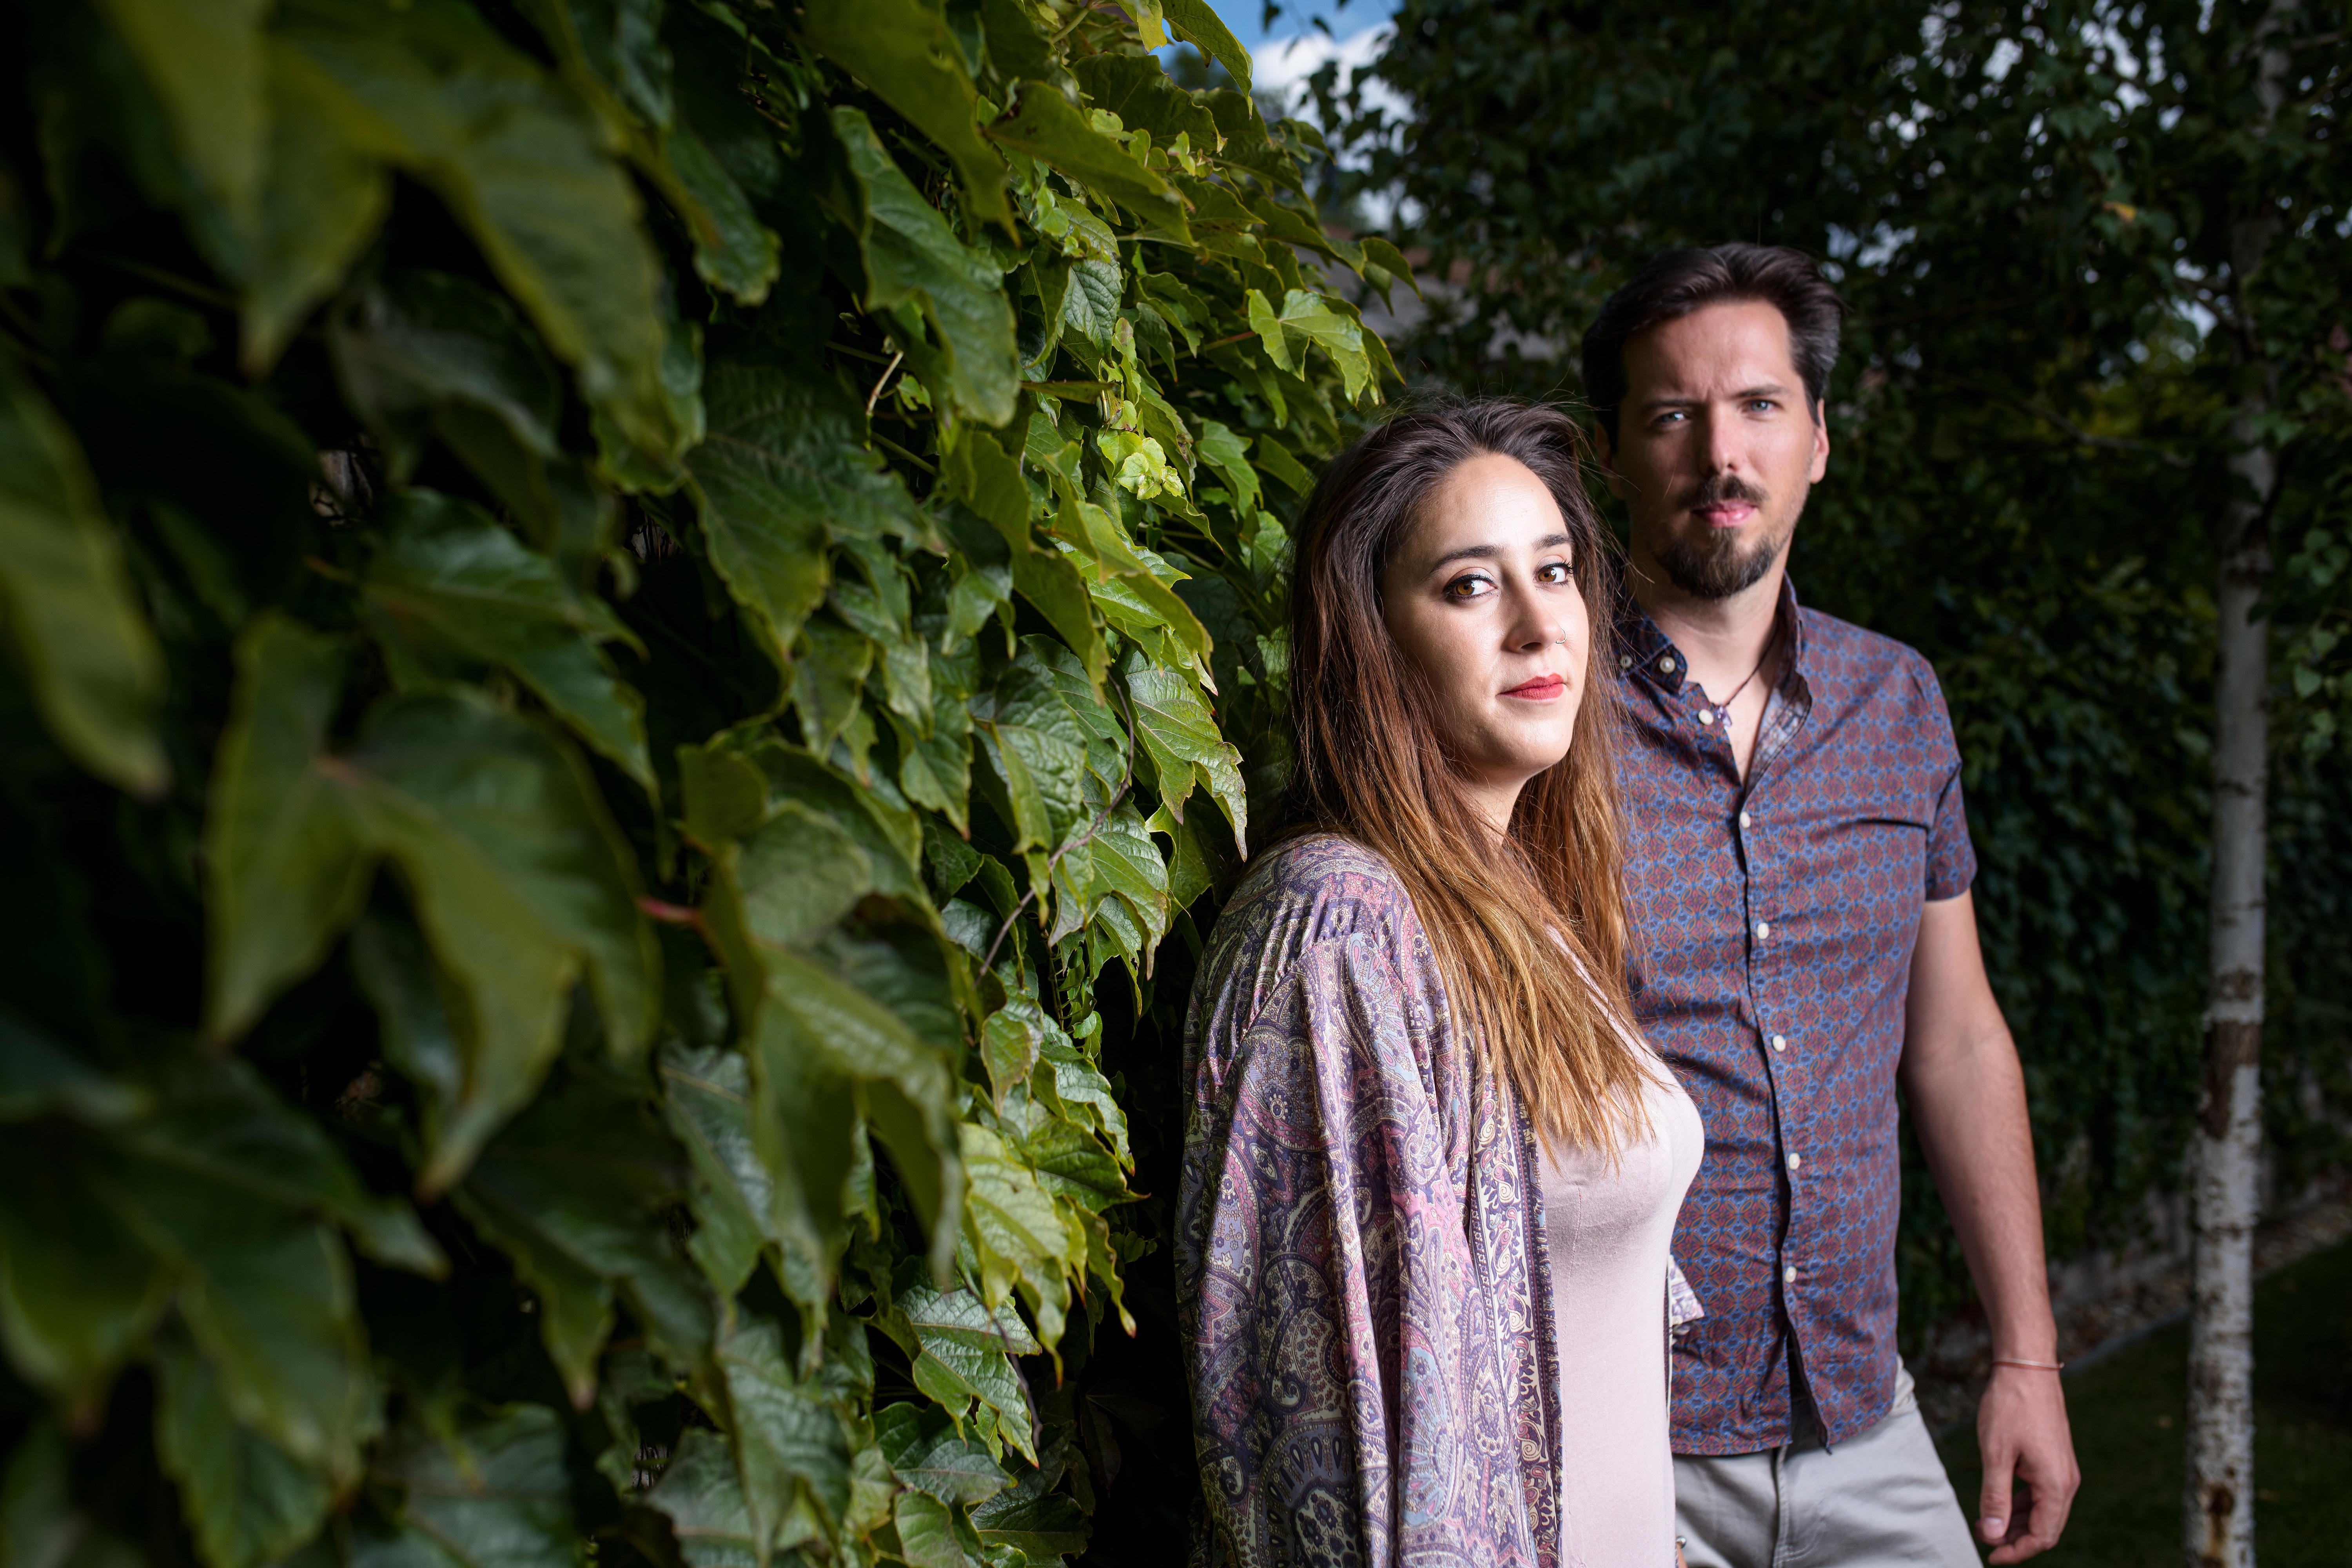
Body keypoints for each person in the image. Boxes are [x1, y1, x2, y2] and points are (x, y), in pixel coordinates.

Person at [1581, 242, 2083, 1568]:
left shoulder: (1897, 701)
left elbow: (1957, 1040)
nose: (1720, 454)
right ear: (1611, 452)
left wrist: (2027, 1357)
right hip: (1620, 1443)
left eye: (1759, 406)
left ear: (1817, 441)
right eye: (1672, 414)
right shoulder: (1540, 723)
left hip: (1865, 1420)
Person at [1177, 403, 1705, 1568]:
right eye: (1470, 586)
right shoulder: (1341, 928)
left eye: (1554, 572)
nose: (1538, 624)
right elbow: (1333, 1449)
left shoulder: (1526, 900)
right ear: (1373, 641)